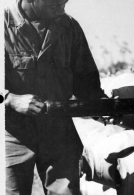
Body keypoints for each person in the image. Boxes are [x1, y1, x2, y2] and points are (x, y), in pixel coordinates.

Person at [4, 0, 107, 194]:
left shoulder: (69, 27)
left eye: (64, 2)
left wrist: (101, 107)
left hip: (59, 131)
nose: (62, 9)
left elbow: (87, 84)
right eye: (54, 4)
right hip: (12, 133)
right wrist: (10, 99)